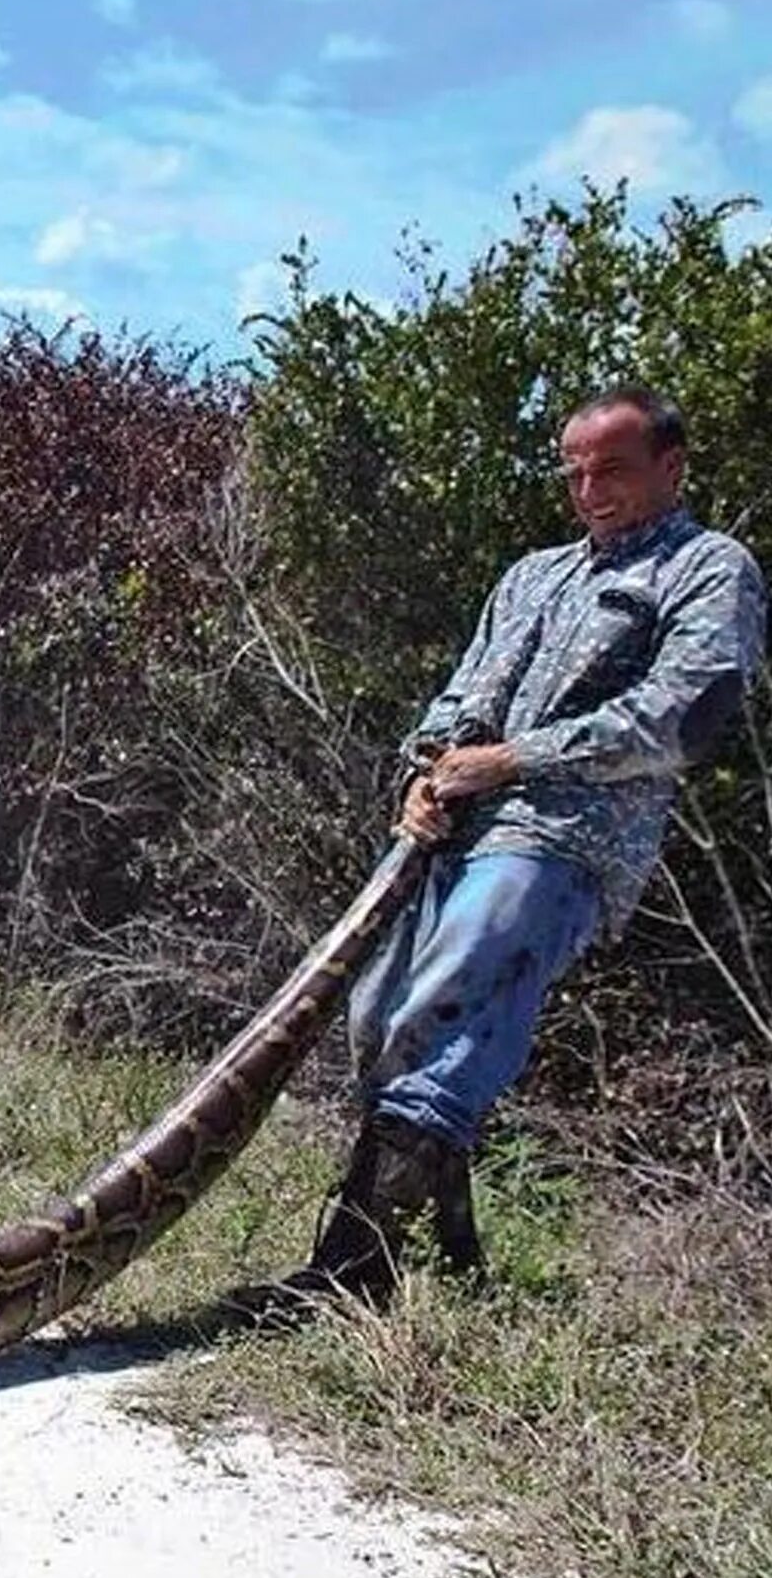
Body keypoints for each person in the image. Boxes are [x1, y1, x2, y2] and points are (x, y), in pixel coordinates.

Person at [275, 385, 765, 1307]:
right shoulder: (533, 574)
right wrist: (427, 769)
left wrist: (512, 760)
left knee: (444, 1012)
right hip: (451, 830)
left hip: (562, 837)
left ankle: (345, 1278)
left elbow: (683, 716)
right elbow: (463, 693)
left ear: (672, 465)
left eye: (612, 468)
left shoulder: (708, 568)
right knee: (381, 1027)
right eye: (575, 470)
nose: (590, 488)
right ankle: (457, 1269)